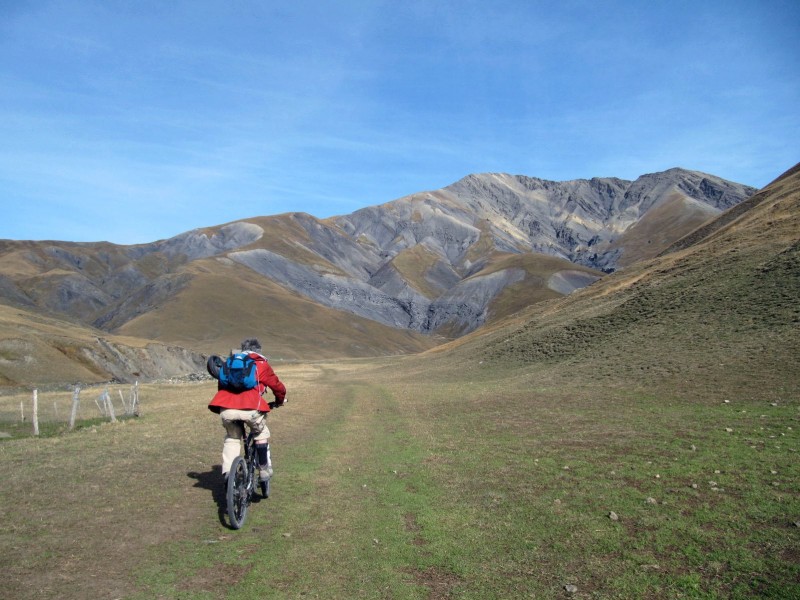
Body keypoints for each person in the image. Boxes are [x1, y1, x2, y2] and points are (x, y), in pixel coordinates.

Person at [207, 338, 287, 483]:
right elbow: (277, 386)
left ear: (243, 349)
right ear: (258, 351)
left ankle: (228, 475)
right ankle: (263, 469)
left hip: (226, 407)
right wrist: (280, 400)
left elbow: (222, 385)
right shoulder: (261, 364)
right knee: (260, 432)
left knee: (232, 438)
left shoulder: (231, 363)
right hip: (251, 407)